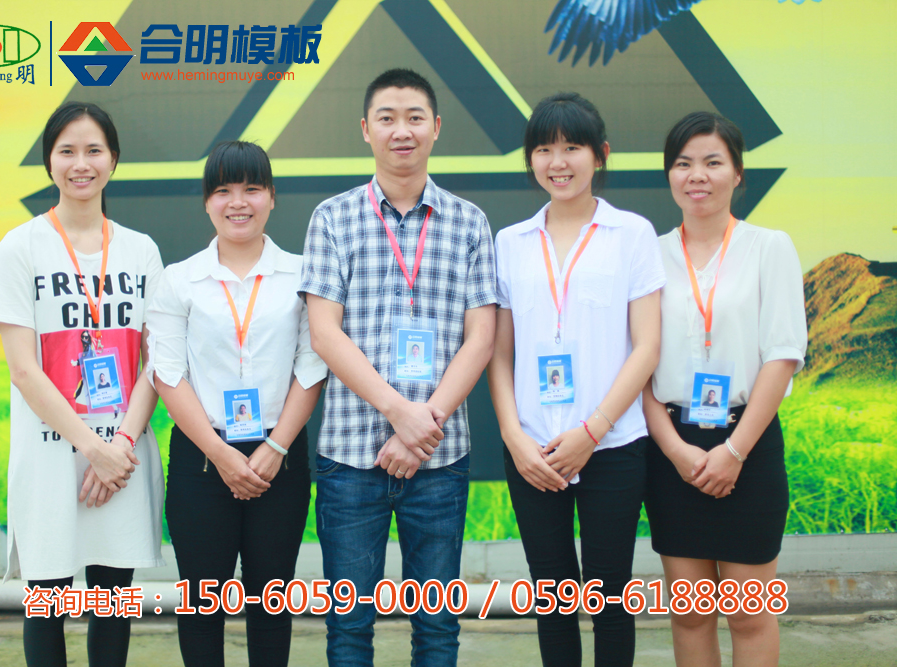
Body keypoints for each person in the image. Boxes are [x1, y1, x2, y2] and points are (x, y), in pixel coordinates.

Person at [300, 68, 497, 666]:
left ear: (436, 127)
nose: (401, 131)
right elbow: (324, 332)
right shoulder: (332, 217)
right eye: (387, 118)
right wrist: (399, 413)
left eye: (414, 118)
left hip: (439, 457)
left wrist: (422, 425)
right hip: (349, 458)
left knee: (436, 627)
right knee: (348, 627)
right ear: (366, 130)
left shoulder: (469, 221)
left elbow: (481, 337)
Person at [0, 102, 165, 667]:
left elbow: (155, 364)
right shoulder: (20, 246)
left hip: (123, 459)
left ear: (113, 160)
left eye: (93, 151)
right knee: (46, 607)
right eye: (67, 151)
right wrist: (93, 450)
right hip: (51, 460)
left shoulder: (141, 250)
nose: (80, 164)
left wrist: (120, 448)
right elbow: (23, 369)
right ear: (49, 162)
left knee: (113, 608)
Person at [487, 92, 665, 666]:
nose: (557, 162)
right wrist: (514, 438)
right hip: (533, 449)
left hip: (612, 444)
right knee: (552, 596)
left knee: (610, 595)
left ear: (600, 154)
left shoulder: (632, 233)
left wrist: (592, 431)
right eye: (544, 149)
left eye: (572, 148)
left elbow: (647, 346)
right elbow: (499, 353)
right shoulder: (510, 242)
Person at [147, 140, 327, 667]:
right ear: (207, 201)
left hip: (280, 459)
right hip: (202, 461)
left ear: (271, 196)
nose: (238, 202)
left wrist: (275, 447)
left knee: (272, 605)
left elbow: (311, 367)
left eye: (252, 188)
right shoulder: (179, 279)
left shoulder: (302, 275)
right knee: (202, 607)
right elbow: (168, 374)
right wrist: (222, 454)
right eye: (223, 191)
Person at [643, 112, 806, 667]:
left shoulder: (769, 247)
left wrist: (734, 452)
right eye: (683, 163)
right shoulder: (650, 254)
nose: (697, 175)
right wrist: (675, 450)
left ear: (737, 173)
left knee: (749, 615)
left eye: (713, 162)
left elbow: (783, 354)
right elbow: (638, 363)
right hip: (674, 449)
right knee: (690, 614)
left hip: (748, 443)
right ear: (669, 174)